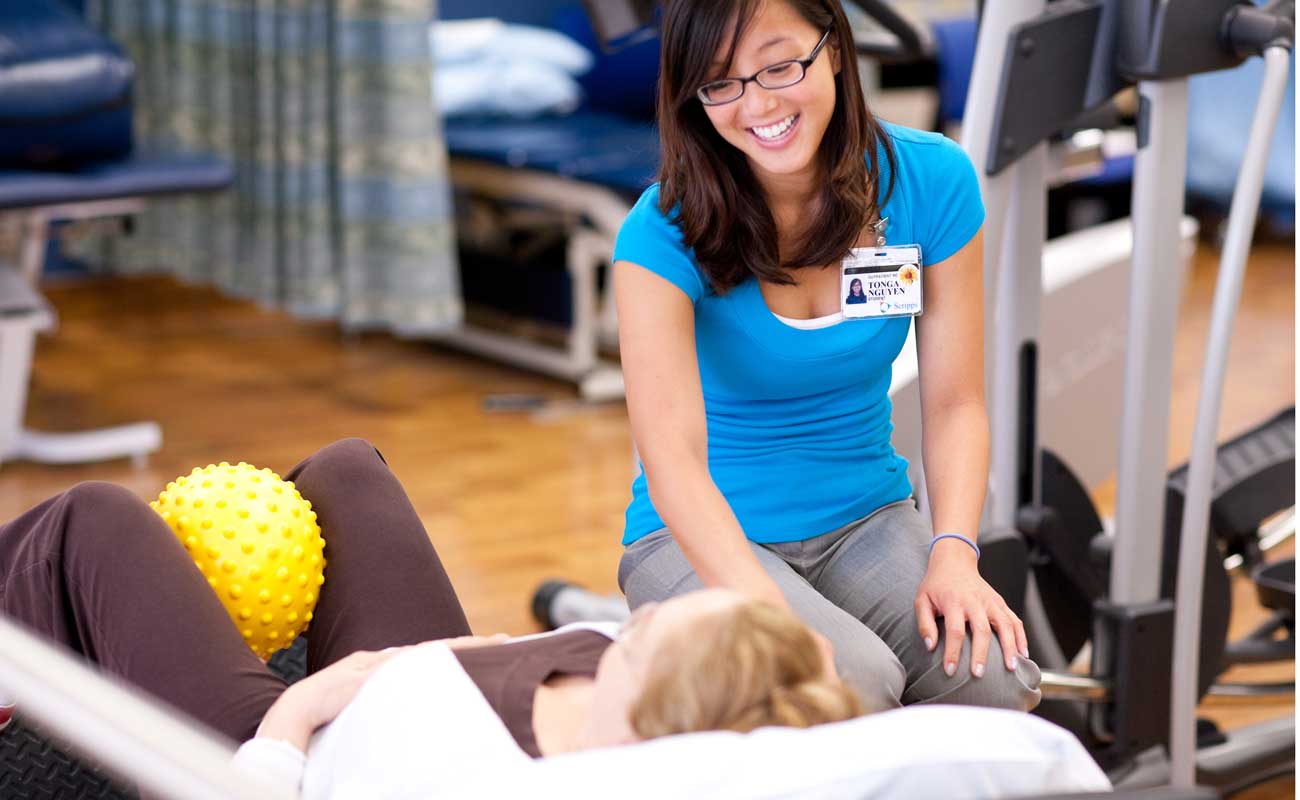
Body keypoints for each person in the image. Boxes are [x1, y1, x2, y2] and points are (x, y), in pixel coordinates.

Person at [613, 0, 1041, 711]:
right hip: (698, 538)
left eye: (781, 65)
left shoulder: (930, 181)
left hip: (864, 517)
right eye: (722, 83)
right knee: (850, 686)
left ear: (835, 48)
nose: (759, 103)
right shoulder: (661, 232)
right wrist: (765, 612)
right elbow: (673, 465)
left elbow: (957, 401)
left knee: (993, 679)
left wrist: (955, 551)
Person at [0, 440, 862, 788]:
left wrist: (298, 713)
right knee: (346, 470)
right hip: (421, 675)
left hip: (278, 750)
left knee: (93, 520)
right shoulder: (661, 696)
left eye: (633, 648)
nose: (624, 633)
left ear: (645, 723)